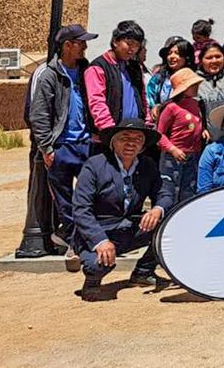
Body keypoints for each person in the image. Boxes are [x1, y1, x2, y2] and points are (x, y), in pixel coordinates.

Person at [71, 118, 173, 300]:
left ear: (142, 146)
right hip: (98, 232)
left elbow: (164, 193)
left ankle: (143, 272)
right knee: (97, 264)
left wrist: (157, 209)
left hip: (129, 229)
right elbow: (81, 209)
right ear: (113, 142)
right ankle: (92, 281)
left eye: (137, 139)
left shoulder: (147, 165)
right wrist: (100, 241)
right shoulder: (94, 166)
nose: (131, 143)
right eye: (125, 138)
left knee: (168, 228)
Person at [29, 24, 98, 265]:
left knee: (91, 194)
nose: (85, 47)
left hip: (86, 143)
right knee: (64, 199)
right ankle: (75, 243)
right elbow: (39, 115)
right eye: (81, 42)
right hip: (61, 147)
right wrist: (47, 147)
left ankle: (85, 238)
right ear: (67, 45)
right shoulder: (49, 75)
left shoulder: (87, 70)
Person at [84, 20, 148, 155]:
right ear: (115, 42)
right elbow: (97, 102)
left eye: (136, 46)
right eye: (129, 44)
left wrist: (146, 123)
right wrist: (110, 133)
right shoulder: (98, 67)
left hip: (133, 137)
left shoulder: (135, 67)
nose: (132, 49)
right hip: (107, 140)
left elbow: (142, 98)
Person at [154, 68, 205, 204]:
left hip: (193, 154)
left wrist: (203, 131)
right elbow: (159, 134)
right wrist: (172, 149)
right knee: (170, 188)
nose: (196, 87)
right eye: (192, 85)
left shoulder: (195, 104)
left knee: (188, 189)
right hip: (174, 156)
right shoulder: (172, 108)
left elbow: (197, 121)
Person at [147, 37, 193, 118]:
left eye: (177, 53)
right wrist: (155, 107)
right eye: (169, 53)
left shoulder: (194, 78)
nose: (172, 56)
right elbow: (149, 98)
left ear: (186, 57)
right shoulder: (158, 79)